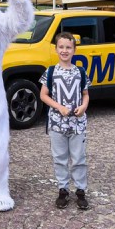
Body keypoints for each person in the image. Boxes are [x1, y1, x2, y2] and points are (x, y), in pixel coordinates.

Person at [39, 32, 91, 210]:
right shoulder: (51, 71)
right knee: (59, 158)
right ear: (56, 49)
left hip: (77, 124)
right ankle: (63, 189)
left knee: (78, 158)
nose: (64, 50)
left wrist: (83, 106)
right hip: (56, 124)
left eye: (68, 47)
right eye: (61, 47)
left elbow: (85, 94)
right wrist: (59, 107)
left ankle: (80, 190)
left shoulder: (80, 72)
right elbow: (43, 95)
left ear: (74, 50)